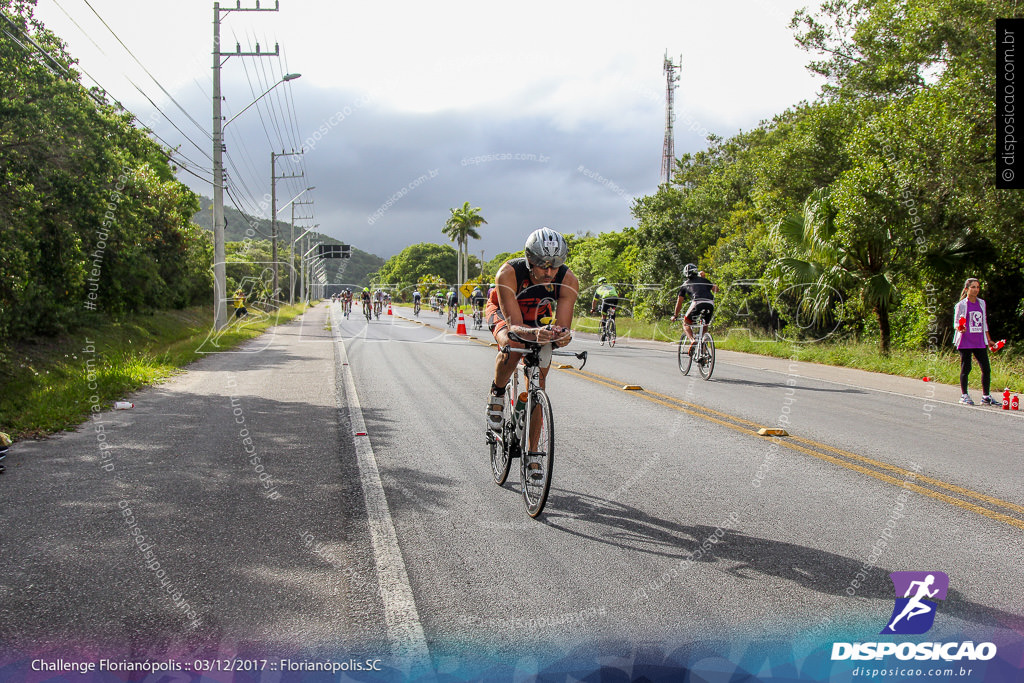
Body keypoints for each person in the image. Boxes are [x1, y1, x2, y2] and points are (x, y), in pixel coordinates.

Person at [485, 228, 579, 438]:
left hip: (538, 316)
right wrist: (534, 334)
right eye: (543, 265)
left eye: (555, 265)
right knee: (514, 345)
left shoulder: (567, 279)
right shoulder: (508, 273)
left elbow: (564, 327)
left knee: (539, 385)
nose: (549, 272)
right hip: (504, 314)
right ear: (529, 259)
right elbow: (515, 326)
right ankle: (497, 393)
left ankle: (534, 456)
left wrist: (562, 335)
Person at [953, 278, 997, 406]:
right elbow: (956, 322)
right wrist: (960, 328)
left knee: (986, 368)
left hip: (978, 341)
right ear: (966, 289)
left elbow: (984, 323)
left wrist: (988, 340)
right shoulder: (961, 305)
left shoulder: (982, 303)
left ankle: (986, 396)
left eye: (977, 287)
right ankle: (964, 395)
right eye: (973, 287)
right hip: (965, 340)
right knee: (966, 368)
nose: (976, 290)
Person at [670, 264, 718, 354]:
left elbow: (679, 302)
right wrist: (705, 279)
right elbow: (716, 289)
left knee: (686, 323)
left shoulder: (685, 284)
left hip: (697, 303)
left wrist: (675, 315)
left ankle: (692, 340)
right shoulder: (704, 280)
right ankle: (703, 349)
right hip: (710, 303)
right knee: (704, 326)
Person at [590, 277, 619, 342]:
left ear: (599, 283)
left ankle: (604, 333)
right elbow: (618, 293)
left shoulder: (599, 289)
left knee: (604, 316)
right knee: (612, 312)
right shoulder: (612, 286)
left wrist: (593, 309)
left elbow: (594, 301)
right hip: (615, 299)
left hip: (606, 300)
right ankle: (612, 327)